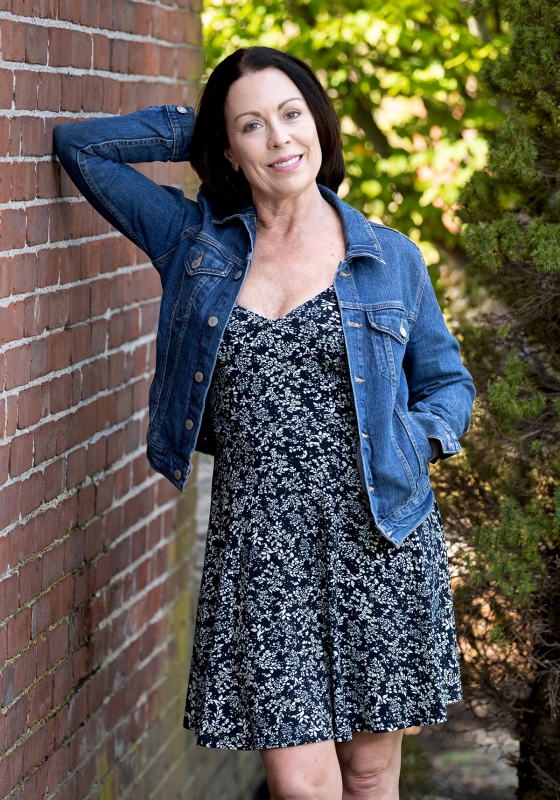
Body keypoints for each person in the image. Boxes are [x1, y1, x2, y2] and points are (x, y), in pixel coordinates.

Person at [54, 46, 475, 800]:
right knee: (300, 785)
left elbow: (447, 382)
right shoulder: (193, 243)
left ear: (318, 123)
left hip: (378, 537)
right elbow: (80, 147)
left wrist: (417, 440)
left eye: (291, 114)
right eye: (251, 125)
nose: (280, 138)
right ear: (227, 148)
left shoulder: (389, 258)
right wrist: (196, 129)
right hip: (260, 546)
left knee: (368, 774)